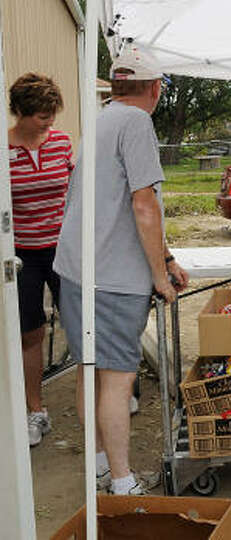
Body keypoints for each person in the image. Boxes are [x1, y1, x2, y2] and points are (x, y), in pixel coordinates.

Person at [54, 44, 189, 495]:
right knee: (116, 377)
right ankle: (122, 480)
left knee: (89, 369)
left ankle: (98, 464)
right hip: (110, 274)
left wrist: (166, 258)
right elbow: (143, 204)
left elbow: (126, 202)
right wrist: (157, 273)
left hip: (76, 266)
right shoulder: (135, 122)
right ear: (154, 89)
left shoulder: (100, 118)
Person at [8, 73, 71, 447]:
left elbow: (74, 191)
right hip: (23, 255)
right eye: (40, 115)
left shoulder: (61, 143)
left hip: (63, 250)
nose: (48, 121)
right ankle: (36, 411)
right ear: (20, 111)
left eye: (51, 113)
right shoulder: (4, 148)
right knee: (30, 332)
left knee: (81, 323)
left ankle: (100, 399)